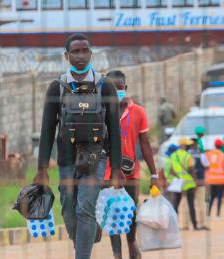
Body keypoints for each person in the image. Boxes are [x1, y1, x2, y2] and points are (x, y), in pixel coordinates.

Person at [34, 34, 125, 259]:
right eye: (75, 51)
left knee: (85, 207)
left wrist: (116, 167)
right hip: (66, 159)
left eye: (85, 50)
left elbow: (114, 129)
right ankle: (86, 238)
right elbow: (47, 130)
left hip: (96, 158)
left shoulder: (106, 87)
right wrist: (42, 168)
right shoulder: (57, 88)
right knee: (68, 210)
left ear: (91, 54)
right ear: (66, 56)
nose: (80, 55)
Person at [103, 70, 158, 259]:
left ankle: (131, 241)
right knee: (111, 212)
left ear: (125, 88)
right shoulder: (100, 112)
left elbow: (145, 143)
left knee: (130, 210)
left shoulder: (138, 112)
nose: (115, 92)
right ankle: (116, 253)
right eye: (110, 89)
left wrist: (154, 174)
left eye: (118, 88)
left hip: (131, 171)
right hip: (107, 171)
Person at [165, 138, 205, 231]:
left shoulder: (173, 155)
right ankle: (195, 226)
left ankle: (174, 226)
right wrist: (195, 181)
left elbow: (171, 171)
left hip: (178, 183)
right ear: (184, 145)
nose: (189, 146)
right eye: (187, 145)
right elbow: (191, 170)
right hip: (188, 183)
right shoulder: (188, 156)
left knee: (176, 205)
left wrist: (177, 177)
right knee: (191, 205)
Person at [186, 138, 209, 230]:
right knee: (201, 203)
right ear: (196, 145)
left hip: (188, 183)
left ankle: (186, 224)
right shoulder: (201, 155)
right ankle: (202, 223)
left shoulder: (186, 154)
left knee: (188, 204)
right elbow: (207, 165)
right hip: (199, 182)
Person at [205, 139, 224, 219]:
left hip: (211, 179)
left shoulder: (209, 154)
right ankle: (218, 215)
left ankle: (208, 214)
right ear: (221, 146)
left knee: (212, 196)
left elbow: (205, 163)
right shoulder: (223, 155)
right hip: (221, 179)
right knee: (219, 197)